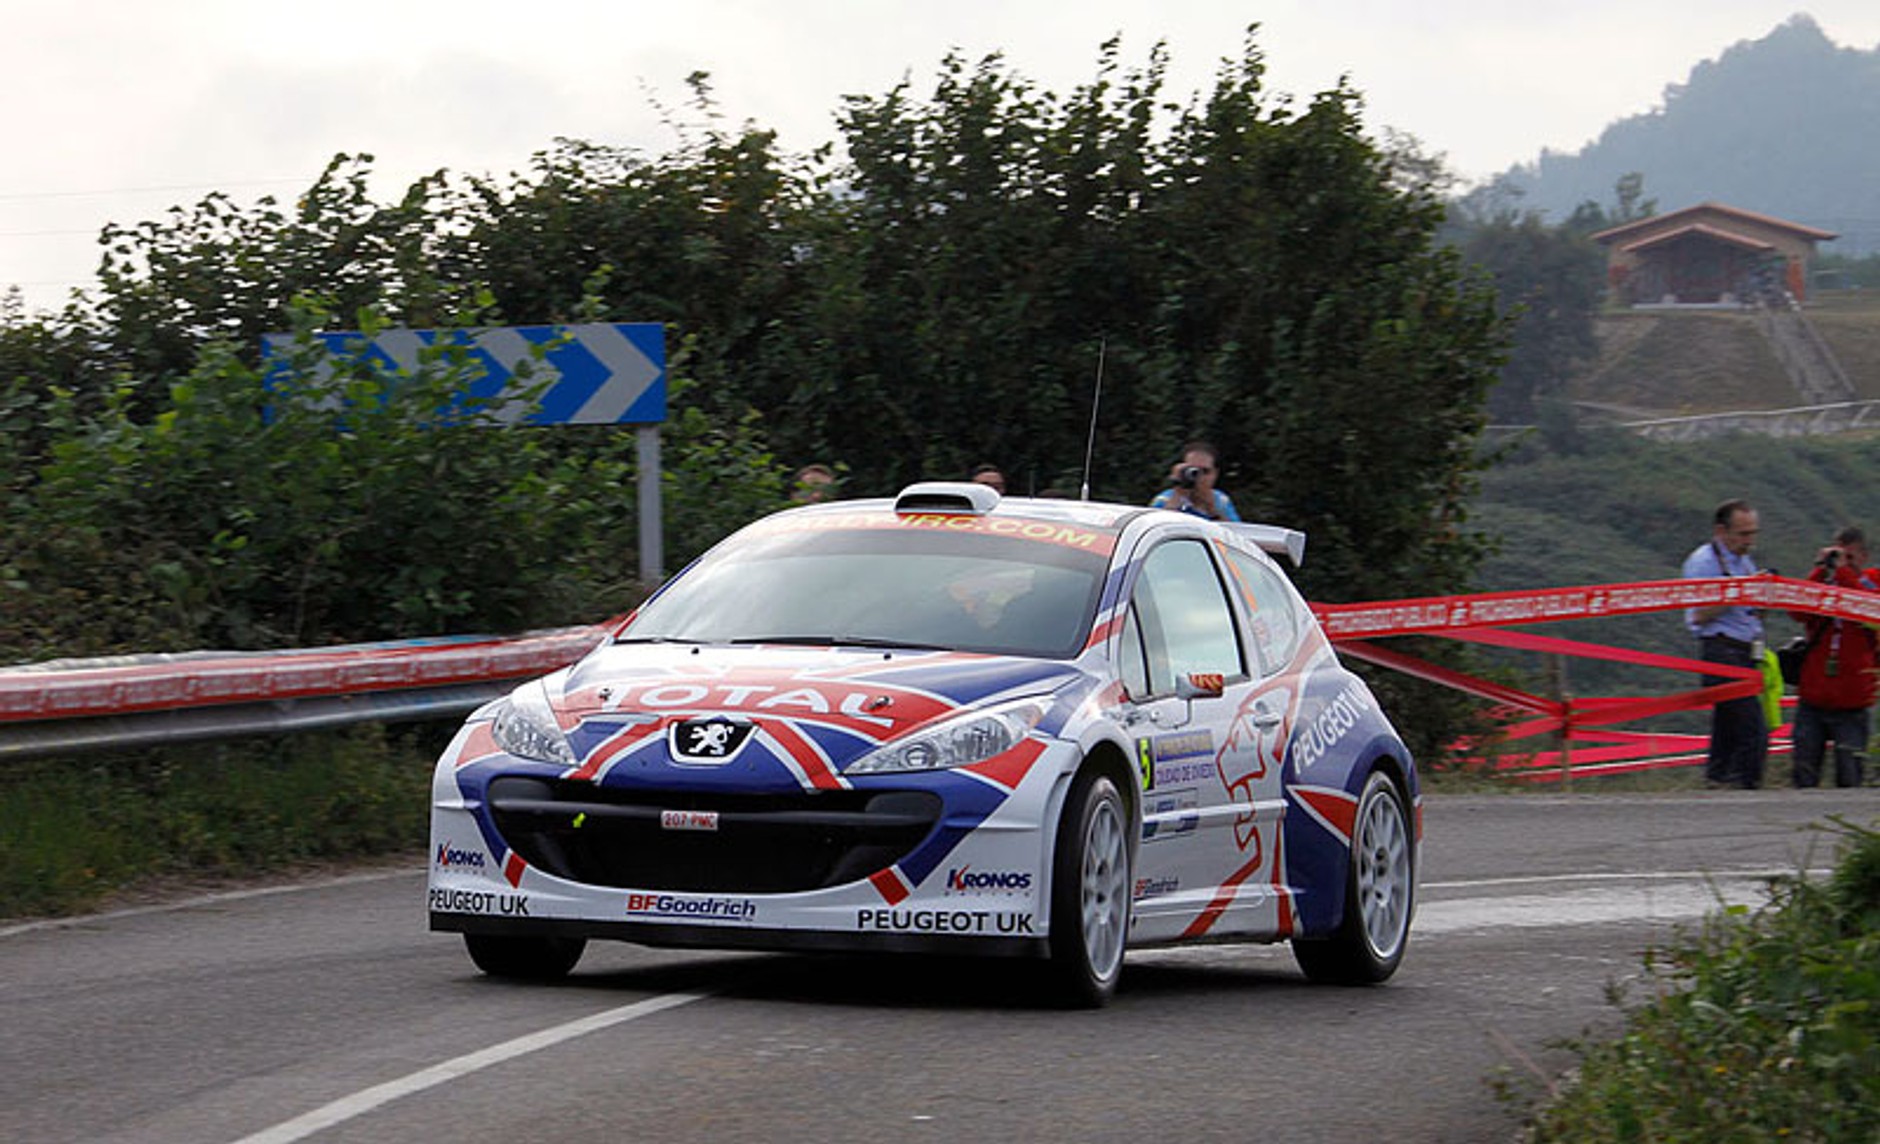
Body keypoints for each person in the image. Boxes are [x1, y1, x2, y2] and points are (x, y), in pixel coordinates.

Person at [1682, 498, 1767, 789]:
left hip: (1745, 649)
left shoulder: (1743, 561)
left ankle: (1717, 781)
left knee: (1728, 726)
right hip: (1721, 649)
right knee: (1752, 728)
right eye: (1743, 534)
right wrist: (1738, 593)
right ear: (1721, 531)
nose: (1749, 541)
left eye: (1753, 533)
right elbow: (1699, 614)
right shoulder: (1704, 562)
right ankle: (1746, 787)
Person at [1787, 526, 1879, 788]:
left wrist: (1843, 573)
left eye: (1850, 557)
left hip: (1852, 702)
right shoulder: (1825, 587)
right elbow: (1797, 612)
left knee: (1849, 778)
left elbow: (1865, 609)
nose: (1843, 563)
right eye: (1839, 556)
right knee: (1804, 774)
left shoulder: (1872, 585)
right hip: (1814, 698)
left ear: (1864, 557)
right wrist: (1820, 570)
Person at [1150, 441, 1241, 522]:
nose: (1199, 477)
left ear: (1215, 474)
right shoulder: (1164, 499)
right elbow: (1156, 528)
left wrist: (1212, 510)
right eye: (1193, 471)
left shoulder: (1221, 501)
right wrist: (1176, 498)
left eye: (1205, 471)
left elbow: (1234, 531)